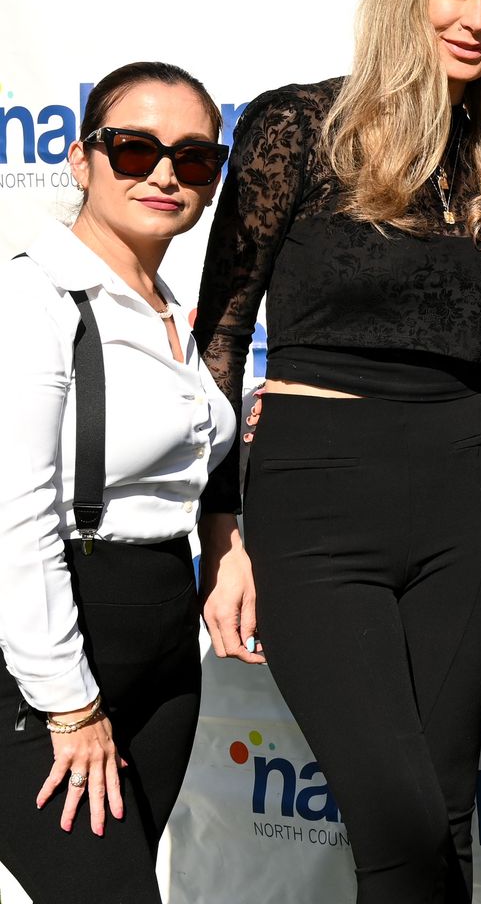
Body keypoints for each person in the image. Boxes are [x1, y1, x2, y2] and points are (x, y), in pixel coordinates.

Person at [193, 0, 481, 903]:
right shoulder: (299, 126)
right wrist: (223, 530)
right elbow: (221, 338)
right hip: (316, 498)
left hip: (466, 503)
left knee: (443, 815)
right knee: (395, 819)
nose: (478, 18)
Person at [0, 62, 235, 901]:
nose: (165, 173)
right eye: (134, 149)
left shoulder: (166, 305)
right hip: (55, 649)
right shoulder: (36, 296)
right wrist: (66, 703)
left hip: (163, 648)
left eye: (194, 158)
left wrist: (229, 542)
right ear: (81, 158)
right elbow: (16, 517)